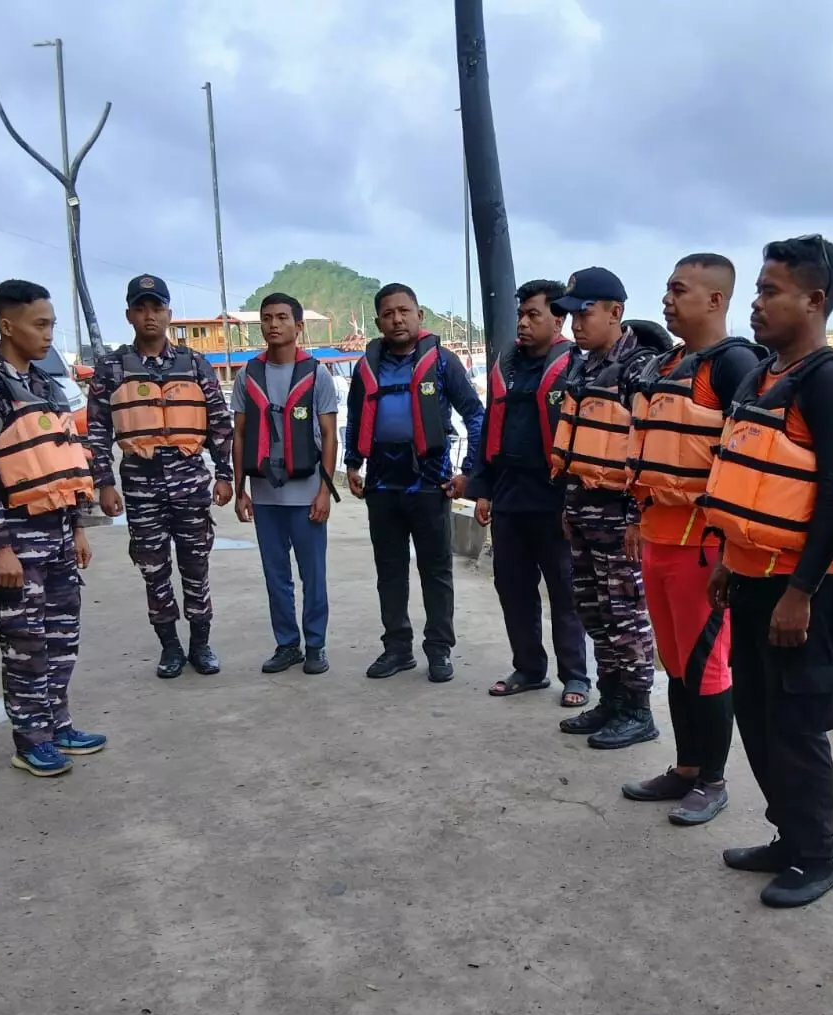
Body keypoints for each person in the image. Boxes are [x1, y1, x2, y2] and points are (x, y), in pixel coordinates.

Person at [707, 236, 833, 906]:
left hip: (802, 587)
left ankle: (815, 857)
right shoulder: (762, 377)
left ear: (815, 300)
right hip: (749, 578)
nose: (757, 303)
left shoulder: (832, 381)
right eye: (757, 289)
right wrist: (728, 559)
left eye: (770, 291)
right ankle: (787, 835)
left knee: (798, 725)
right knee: (755, 714)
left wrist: (800, 591)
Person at [621, 254, 762, 826]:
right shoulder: (670, 364)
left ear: (715, 300)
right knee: (676, 663)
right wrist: (636, 519)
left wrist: (731, 548)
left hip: (702, 545)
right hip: (658, 536)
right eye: (667, 289)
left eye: (679, 290)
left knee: (706, 664)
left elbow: (747, 459)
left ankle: (713, 780)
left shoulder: (734, 365)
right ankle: (685, 768)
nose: (667, 300)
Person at [0, 279, 105, 779]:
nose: (47, 334)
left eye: (51, 324)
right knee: (26, 645)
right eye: (39, 324)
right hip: (16, 542)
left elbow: (62, 459)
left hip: (57, 534)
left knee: (62, 638)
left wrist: (77, 527)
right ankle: (31, 740)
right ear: (6, 325)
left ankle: (58, 725)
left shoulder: (44, 386)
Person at [85, 275, 234, 678]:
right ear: (129, 315)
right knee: (153, 570)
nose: (149, 316)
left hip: (190, 483)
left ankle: (200, 644)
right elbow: (97, 430)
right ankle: (170, 646)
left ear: (169, 313)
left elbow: (219, 424)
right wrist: (104, 483)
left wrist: (224, 475)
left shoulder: (195, 364)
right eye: (141, 308)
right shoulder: (112, 368)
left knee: (196, 566)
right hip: (140, 485)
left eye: (157, 308)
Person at [550, 267, 666, 748]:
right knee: (594, 611)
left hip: (620, 515)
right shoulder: (583, 366)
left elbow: (651, 449)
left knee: (625, 615)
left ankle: (638, 710)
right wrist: (569, 505)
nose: (575, 324)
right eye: (571, 316)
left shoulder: (640, 369)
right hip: (583, 508)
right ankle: (612, 700)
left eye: (585, 313)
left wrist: (639, 518)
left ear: (615, 312)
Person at [345, 282, 484, 683]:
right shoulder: (367, 367)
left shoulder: (442, 362)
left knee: (436, 571)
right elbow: (355, 417)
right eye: (388, 314)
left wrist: (468, 472)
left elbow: (475, 415)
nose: (397, 319)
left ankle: (439, 650)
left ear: (420, 315)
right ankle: (397, 649)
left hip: (430, 483)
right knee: (389, 572)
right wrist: (352, 463)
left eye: (404, 311)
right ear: (378, 323)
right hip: (381, 486)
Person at [466, 280, 590, 706]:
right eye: (520, 314)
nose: (522, 322)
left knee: (565, 591)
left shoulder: (575, 366)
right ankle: (529, 668)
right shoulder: (507, 365)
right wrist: (483, 489)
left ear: (558, 320)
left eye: (533, 314)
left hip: (554, 498)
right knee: (513, 587)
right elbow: (489, 428)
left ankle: (576, 676)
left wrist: (576, 501)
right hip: (509, 496)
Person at [231, 292, 340, 675]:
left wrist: (324, 491)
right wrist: (240, 490)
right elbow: (240, 434)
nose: (273, 324)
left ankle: (316, 645)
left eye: (281, 317)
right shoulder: (247, 375)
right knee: (276, 577)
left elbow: (330, 435)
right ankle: (287, 645)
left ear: (298, 326)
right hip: (265, 495)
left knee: (313, 576)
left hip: (307, 493)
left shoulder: (317, 374)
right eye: (267, 318)